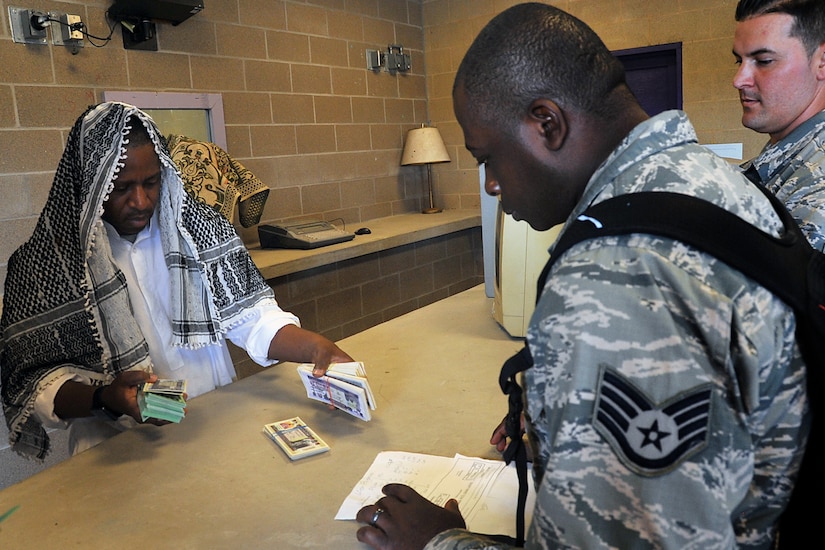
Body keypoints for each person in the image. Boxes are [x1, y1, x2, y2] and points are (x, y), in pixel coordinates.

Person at [354, 3, 809, 549]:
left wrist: (440, 542)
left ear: (547, 123)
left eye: (488, 157)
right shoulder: (699, 179)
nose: (492, 184)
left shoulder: (614, 276)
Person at [0, 102, 352, 459]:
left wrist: (314, 348)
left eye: (151, 182)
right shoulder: (46, 265)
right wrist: (107, 398)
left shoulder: (200, 231)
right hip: (115, 450)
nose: (141, 200)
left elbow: (253, 319)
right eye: (121, 188)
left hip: (213, 424)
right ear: (90, 185)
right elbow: (31, 384)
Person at [733, 0, 825, 250]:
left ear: (822, 62)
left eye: (763, 61)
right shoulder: (780, 163)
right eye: (738, 61)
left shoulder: (816, 189)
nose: (739, 80)